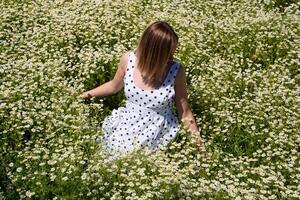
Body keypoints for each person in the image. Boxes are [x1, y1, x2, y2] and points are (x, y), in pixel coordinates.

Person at [81, 20, 207, 159]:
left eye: (173, 52)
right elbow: (113, 86)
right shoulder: (128, 60)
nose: (171, 58)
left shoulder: (176, 70)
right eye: (168, 54)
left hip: (158, 131)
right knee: (111, 158)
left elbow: (185, 113)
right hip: (127, 125)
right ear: (152, 52)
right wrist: (84, 95)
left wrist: (202, 151)